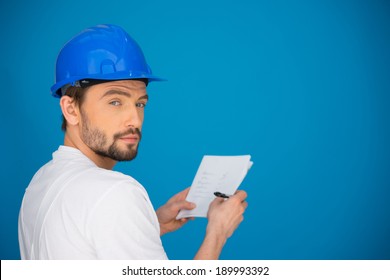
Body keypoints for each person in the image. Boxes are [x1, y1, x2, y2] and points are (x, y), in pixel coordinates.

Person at [18, 24, 248, 260]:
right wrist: (218, 233)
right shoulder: (116, 192)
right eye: (115, 101)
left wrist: (153, 223)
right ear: (71, 109)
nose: (134, 119)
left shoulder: (41, 182)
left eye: (140, 103)